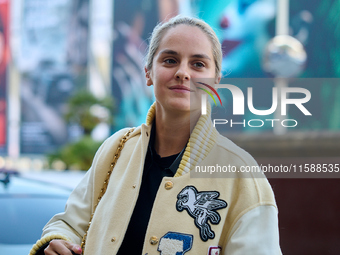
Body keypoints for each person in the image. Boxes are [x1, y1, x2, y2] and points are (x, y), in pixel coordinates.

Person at [30, 15, 282, 255]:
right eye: (170, 60)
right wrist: (58, 241)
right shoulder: (116, 149)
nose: (183, 72)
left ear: (215, 80)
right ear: (148, 72)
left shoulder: (241, 173)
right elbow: (69, 224)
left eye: (198, 64)